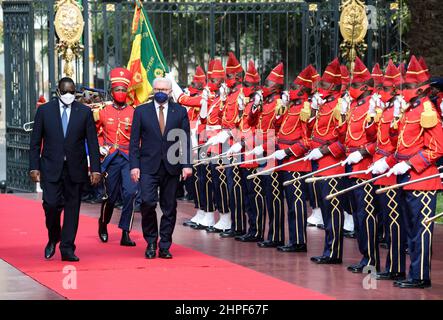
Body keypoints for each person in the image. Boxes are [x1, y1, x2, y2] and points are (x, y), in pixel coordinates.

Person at [29, 77, 101, 262]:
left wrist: (95, 169)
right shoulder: (45, 111)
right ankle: (54, 237)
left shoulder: (84, 112)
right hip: (51, 167)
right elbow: (36, 142)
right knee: (51, 205)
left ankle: (67, 247)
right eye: (65, 91)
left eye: (72, 92)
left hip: (75, 169)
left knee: (72, 209)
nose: (69, 95)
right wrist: (34, 167)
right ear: (58, 91)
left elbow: (92, 142)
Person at [129, 77, 192, 259]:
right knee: (148, 203)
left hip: (171, 167)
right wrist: (134, 166)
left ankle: (164, 245)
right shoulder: (141, 112)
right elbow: (134, 142)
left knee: (169, 207)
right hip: (147, 166)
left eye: (164, 90)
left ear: (170, 92)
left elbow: (185, 141)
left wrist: (187, 165)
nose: (160, 93)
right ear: (152, 91)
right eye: (157, 89)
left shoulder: (180, 112)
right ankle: (150, 242)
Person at [95, 67, 138, 246]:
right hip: (111, 158)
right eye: (117, 90)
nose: (120, 93)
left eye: (123, 90)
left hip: (128, 157)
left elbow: (138, 137)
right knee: (110, 197)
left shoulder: (135, 112)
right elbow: (96, 132)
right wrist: (100, 148)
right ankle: (103, 223)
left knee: (130, 193)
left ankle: (125, 232)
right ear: (112, 92)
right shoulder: (103, 111)